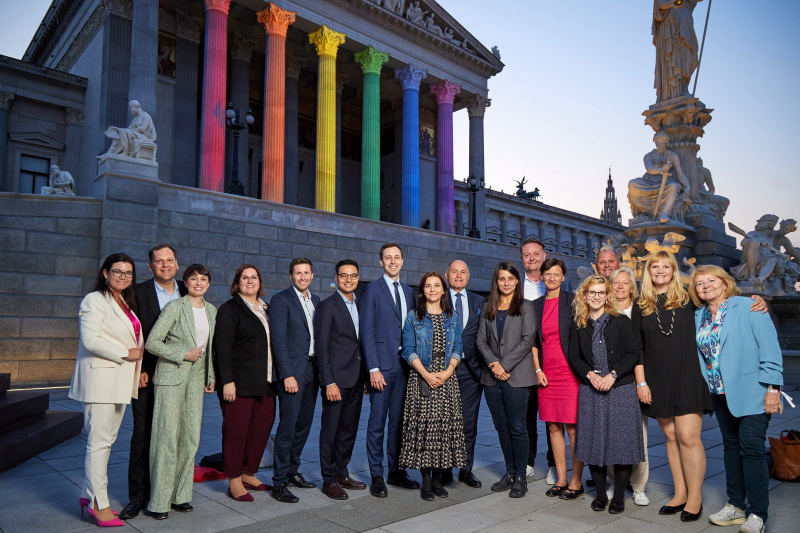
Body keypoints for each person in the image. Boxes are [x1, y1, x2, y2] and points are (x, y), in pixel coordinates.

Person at [690, 266, 783, 533]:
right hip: (720, 393)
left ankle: (757, 514)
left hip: (753, 390)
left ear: (724, 283)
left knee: (752, 450)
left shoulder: (748, 306)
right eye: (699, 283)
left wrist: (773, 388)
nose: (706, 286)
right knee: (731, 449)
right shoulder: (699, 315)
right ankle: (736, 506)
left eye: (711, 280)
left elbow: (769, 346)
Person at [632, 250, 711, 522]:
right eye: (656, 266)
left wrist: (755, 300)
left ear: (674, 270)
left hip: (688, 377)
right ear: (649, 272)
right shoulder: (641, 304)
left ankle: (695, 497)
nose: (661, 270)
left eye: (667, 266)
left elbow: (720, 300)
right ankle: (679, 494)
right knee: (671, 438)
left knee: (689, 438)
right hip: (657, 380)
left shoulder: (690, 297)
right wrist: (641, 382)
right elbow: (637, 349)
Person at [69, 253, 143, 527]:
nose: (123, 277)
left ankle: (88, 496)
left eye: (128, 273)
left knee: (107, 442)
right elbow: (90, 340)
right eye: (117, 272)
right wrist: (126, 353)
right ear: (105, 273)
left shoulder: (124, 302)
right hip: (100, 383)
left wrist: (137, 370)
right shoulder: (94, 300)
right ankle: (100, 503)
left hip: (119, 383)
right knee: (99, 444)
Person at [145, 264, 216, 519]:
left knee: (190, 438)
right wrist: (181, 354)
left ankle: (181, 496)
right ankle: (158, 501)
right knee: (166, 439)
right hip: (171, 378)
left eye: (203, 279)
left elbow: (209, 348)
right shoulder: (175, 307)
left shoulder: (211, 310)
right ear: (185, 282)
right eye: (193, 278)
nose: (198, 282)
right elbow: (152, 342)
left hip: (196, 380)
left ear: (208, 284)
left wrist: (211, 376)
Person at [121, 244, 186, 520]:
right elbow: (131, 331)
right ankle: (138, 495)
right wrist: (139, 368)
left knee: (176, 434)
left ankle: (170, 492)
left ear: (177, 263)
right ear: (150, 266)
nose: (165, 265)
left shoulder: (189, 287)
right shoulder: (137, 293)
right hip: (148, 373)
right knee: (144, 432)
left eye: (169, 260)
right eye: (159, 261)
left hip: (179, 374)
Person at [569, 275, 644, 514]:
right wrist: (590, 376)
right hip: (591, 389)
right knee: (593, 443)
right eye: (592, 292)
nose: (596, 297)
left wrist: (613, 375)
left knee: (622, 444)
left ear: (607, 295)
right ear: (584, 295)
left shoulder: (620, 320)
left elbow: (633, 354)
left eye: (601, 292)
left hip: (620, 388)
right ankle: (601, 495)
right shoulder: (578, 322)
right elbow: (573, 357)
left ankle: (619, 496)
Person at [400, 272, 467, 500]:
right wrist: (427, 375)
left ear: (443, 290)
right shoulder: (414, 317)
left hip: (446, 380)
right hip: (422, 379)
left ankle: (438, 480)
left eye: (437, 285)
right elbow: (407, 350)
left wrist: (448, 372)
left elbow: (458, 347)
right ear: (423, 291)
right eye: (428, 286)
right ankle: (426, 483)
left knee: (443, 431)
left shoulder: (452, 316)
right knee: (425, 431)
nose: (432, 289)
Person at [213, 264, 277, 502]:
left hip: (267, 382)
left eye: (254, 277)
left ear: (260, 282)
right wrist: (227, 381)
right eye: (244, 278)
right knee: (236, 433)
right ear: (237, 283)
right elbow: (223, 349)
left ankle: (249, 472)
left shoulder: (267, 308)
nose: (250, 281)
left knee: (260, 431)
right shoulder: (230, 310)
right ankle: (234, 480)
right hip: (239, 384)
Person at [360, 243, 419, 497]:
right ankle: (377, 475)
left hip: (405, 368)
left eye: (397, 257)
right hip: (381, 368)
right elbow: (367, 333)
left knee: (398, 423)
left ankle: (396, 471)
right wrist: (372, 368)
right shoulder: (372, 290)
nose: (392, 261)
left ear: (402, 261)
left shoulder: (409, 292)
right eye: (388, 258)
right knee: (377, 423)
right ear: (381, 262)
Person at [477, 262, 537, 498]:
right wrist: (494, 364)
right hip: (492, 378)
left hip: (517, 377)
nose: (506, 283)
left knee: (517, 427)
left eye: (510, 279)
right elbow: (480, 341)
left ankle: (521, 476)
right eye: (502, 279)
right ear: (497, 281)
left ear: (517, 281)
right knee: (502, 428)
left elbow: (527, 341)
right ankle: (510, 472)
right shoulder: (487, 307)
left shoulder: (527, 307)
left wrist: (504, 365)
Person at [313, 259, 368, 500]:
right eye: (344, 276)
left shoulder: (360, 304)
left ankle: (342, 471)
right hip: (336, 379)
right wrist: (328, 381)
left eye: (353, 275)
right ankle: (329, 479)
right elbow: (322, 347)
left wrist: (365, 376)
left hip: (356, 378)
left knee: (349, 429)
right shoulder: (327, 306)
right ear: (336, 278)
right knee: (331, 430)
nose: (349, 279)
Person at [269, 258, 321, 503]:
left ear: (312, 275)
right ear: (290, 276)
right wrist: (287, 374)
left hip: (313, 369)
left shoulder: (316, 300)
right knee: (287, 427)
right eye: (298, 273)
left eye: (306, 272)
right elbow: (278, 341)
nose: (303, 277)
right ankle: (278, 482)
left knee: (303, 425)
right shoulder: (281, 300)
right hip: (292, 371)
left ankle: (292, 471)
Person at [531, 258, 583, 500]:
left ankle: (576, 481)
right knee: (553, 426)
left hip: (570, 373)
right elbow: (533, 342)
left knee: (573, 428)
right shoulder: (535, 305)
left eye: (556, 274)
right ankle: (561, 478)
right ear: (541, 277)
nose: (551, 278)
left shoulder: (573, 300)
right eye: (547, 274)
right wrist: (537, 369)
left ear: (563, 277)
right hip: (547, 373)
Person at [520, 237, 566, 484]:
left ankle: (553, 464)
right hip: (523, 362)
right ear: (522, 258)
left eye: (536, 254)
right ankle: (527, 461)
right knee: (527, 414)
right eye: (527, 255)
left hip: (549, 362)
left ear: (544, 254)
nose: (532, 259)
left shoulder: (555, 287)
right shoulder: (516, 286)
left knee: (553, 417)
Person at [607, 267, 650, 506]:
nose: (620, 287)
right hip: (611, 381)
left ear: (632, 287)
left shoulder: (640, 310)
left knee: (638, 435)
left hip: (635, 379)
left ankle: (639, 485)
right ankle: (615, 482)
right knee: (613, 435)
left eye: (625, 283)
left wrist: (642, 382)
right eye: (616, 283)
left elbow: (641, 349)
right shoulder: (605, 309)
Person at [443, 259, 487, 489]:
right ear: (446, 274)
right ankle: (444, 469)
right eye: (454, 272)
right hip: (443, 371)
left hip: (471, 371)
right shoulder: (437, 298)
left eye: (463, 272)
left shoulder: (480, 301)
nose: (458, 276)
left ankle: (465, 469)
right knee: (444, 421)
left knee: (468, 422)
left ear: (468, 276)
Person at [628, 133, 690, 224]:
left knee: (674, 186)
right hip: (649, 181)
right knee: (632, 184)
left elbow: (680, 174)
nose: (659, 146)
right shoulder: (649, 156)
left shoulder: (673, 157)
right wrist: (661, 170)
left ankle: (664, 213)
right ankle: (645, 213)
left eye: (661, 144)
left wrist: (687, 186)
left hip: (665, 182)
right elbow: (649, 169)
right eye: (657, 144)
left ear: (666, 143)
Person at [652, 0, 701, 102]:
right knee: (675, 53)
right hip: (671, 21)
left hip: (684, 18)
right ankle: (674, 91)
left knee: (687, 54)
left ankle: (683, 87)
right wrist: (671, 3)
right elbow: (659, 4)